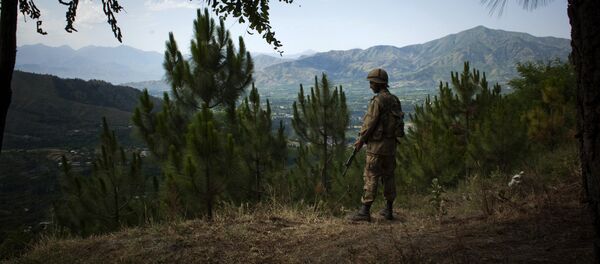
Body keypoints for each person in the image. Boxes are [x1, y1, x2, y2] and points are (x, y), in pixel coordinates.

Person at [350, 68, 403, 222]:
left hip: (376, 147)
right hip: (391, 146)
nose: (370, 86)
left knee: (371, 176)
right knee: (389, 177)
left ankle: (364, 212)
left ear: (378, 84)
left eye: (372, 83)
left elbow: (369, 123)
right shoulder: (395, 99)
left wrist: (360, 140)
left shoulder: (377, 101)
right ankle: (388, 210)